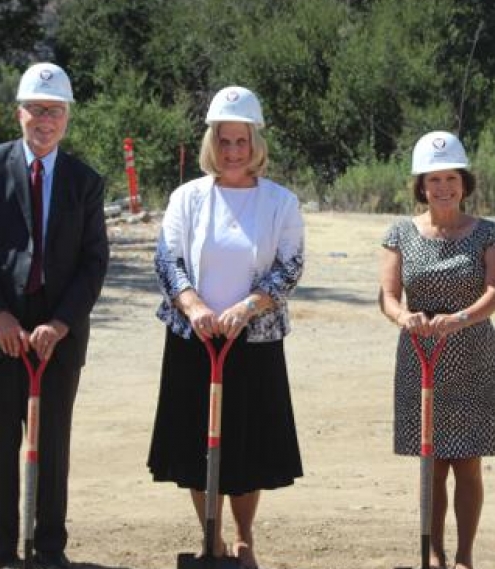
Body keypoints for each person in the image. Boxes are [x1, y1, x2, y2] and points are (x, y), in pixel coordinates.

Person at [0, 62, 109, 569]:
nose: (45, 120)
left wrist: (61, 323)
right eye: (37, 109)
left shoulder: (85, 182)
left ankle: (48, 548)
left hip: (55, 334)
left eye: (55, 111)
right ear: (19, 112)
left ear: (67, 118)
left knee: (52, 443)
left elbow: (93, 261)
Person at [148, 85, 304, 569]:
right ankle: (209, 540)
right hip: (196, 338)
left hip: (252, 339)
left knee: (249, 445)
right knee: (198, 445)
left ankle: (243, 539)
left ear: (255, 143)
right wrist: (193, 305)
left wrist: (249, 307)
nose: (233, 151)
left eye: (241, 141)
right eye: (225, 141)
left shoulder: (280, 201)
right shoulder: (188, 197)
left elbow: (290, 265)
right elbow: (168, 256)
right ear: (211, 144)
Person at [378, 131, 495, 569]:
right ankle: (432, 554)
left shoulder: (488, 232)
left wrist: (461, 318)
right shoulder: (400, 232)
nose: (443, 188)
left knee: (468, 462)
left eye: (450, 177)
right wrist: (403, 317)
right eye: (433, 179)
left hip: (472, 354)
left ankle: (465, 557)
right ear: (421, 185)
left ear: (464, 181)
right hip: (420, 356)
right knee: (430, 462)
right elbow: (388, 295)